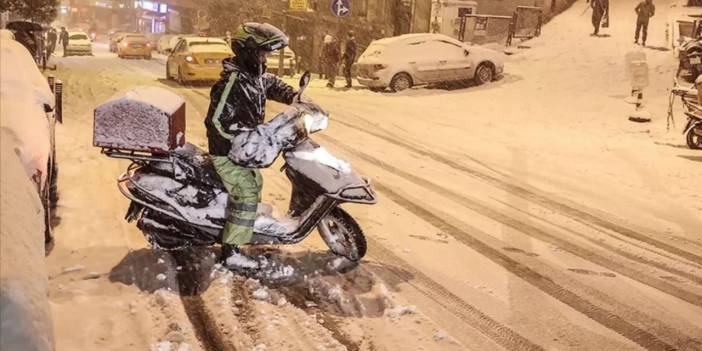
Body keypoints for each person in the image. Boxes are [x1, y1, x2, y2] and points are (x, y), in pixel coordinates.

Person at [204, 23, 297, 270]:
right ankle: (231, 251)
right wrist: (239, 139)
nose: (265, 59)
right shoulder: (232, 83)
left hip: (242, 152)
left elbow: (272, 85)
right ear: (248, 52)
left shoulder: (253, 77)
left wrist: (296, 97)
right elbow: (216, 120)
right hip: (226, 152)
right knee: (245, 190)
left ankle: (240, 224)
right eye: (262, 53)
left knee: (255, 182)